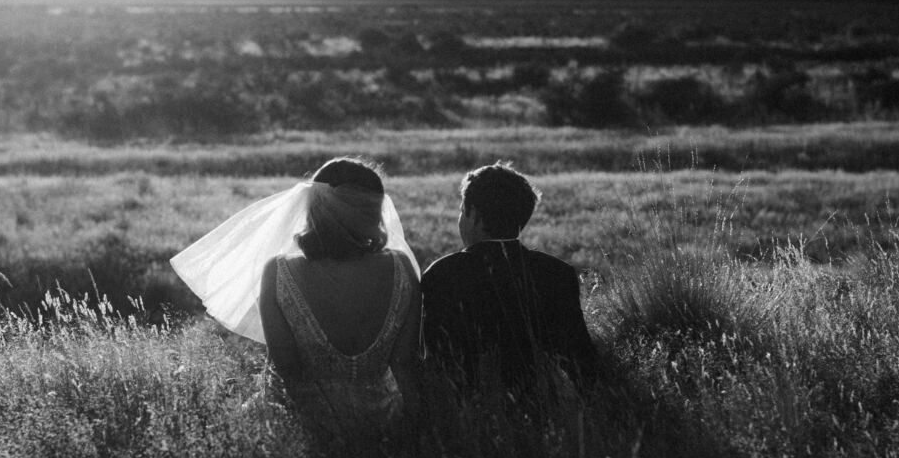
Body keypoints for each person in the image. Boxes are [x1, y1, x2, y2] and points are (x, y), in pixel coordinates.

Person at [171, 157, 421, 435]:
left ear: (314, 206)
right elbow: (405, 364)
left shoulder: (279, 272)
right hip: (380, 423)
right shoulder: (402, 268)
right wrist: (418, 432)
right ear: (375, 211)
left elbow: (287, 369)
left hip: (302, 427)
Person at [421, 162, 598, 403]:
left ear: (474, 215)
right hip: (541, 406)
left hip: (469, 410)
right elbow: (581, 358)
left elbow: (436, 358)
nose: (460, 218)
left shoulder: (442, 274)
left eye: (462, 211)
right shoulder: (556, 272)